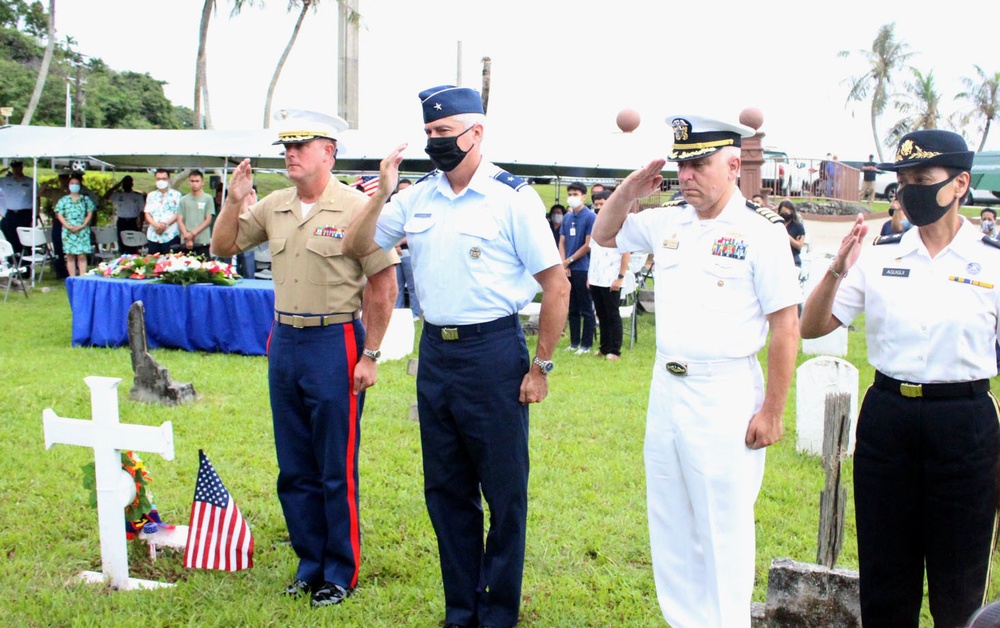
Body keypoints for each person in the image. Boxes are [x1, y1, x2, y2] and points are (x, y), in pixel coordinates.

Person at [341, 84, 570, 628]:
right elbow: (356, 245)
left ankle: (497, 614)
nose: (436, 143)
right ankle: (461, 610)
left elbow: (556, 284)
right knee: (446, 491)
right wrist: (382, 192)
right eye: (429, 135)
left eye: (445, 133)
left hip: (494, 353)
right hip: (435, 357)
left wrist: (540, 367)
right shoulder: (417, 196)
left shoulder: (512, 198)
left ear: (477, 132)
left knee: (504, 493)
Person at [592, 114, 801, 628]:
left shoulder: (760, 231)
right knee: (670, 518)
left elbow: (785, 326)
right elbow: (603, 233)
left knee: (722, 525)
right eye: (682, 164)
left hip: (725, 390)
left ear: (733, 165)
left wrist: (772, 411)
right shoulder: (669, 221)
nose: (686, 175)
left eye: (699, 164)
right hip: (667, 386)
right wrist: (628, 189)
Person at [800, 130, 999, 628]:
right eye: (903, 181)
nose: (909, 190)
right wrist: (836, 271)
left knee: (960, 586)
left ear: (959, 185)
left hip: (966, 422)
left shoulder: (993, 260)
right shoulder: (879, 255)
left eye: (922, 180)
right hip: (889, 419)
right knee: (887, 581)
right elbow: (812, 326)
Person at [210, 109, 399, 609]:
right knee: (294, 466)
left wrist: (372, 354)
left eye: (301, 146)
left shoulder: (358, 207)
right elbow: (222, 244)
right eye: (285, 148)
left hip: (335, 341)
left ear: (328, 152)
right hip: (286, 341)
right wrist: (233, 202)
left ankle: (340, 570)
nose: (290, 155)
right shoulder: (274, 205)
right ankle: (309, 562)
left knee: (335, 464)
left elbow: (383, 284)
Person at [588, 189, 630, 361]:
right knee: (601, 313)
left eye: (602, 204)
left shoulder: (620, 224)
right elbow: (593, 251)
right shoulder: (596, 223)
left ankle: (615, 350)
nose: (599, 207)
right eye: (596, 204)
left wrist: (620, 277)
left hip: (611, 277)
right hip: (596, 277)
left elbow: (625, 252)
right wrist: (589, 277)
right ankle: (604, 348)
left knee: (612, 314)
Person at [560, 181, 596, 354]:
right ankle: (574, 342)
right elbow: (562, 241)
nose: (572, 197)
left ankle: (586, 344)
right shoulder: (567, 217)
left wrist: (570, 260)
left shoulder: (590, 217)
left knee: (585, 307)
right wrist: (563, 263)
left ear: (583, 196)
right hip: (568, 268)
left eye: (575, 194)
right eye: (570, 194)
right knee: (572, 307)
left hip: (582, 267)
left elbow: (588, 244)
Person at [53, 174, 95, 277]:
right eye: (72, 183)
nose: (74, 185)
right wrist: (67, 225)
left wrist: (83, 224)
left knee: (82, 256)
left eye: (76, 183)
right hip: (68, 230)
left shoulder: (85, 199)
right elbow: (59, 213)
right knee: (70, 256)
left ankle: (82, 277)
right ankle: (72, 277)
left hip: (82, 230)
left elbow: (90, 212)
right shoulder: (64, 200)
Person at [392, 178, 421, 318]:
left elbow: (414, 233)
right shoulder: (394, 209)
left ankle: (415, 314)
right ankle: (397, 313)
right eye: (400, 189)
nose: (403, 192)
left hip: (408, 252)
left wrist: (397, 243)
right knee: (396, 286)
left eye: (406, 189)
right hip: (395, 253)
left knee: (413, 286)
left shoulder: (417, 209)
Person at [0, 160, 39, 256]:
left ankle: (26, 265)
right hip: (10, 213)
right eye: (14, 167)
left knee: (26, 241)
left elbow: (36, 198)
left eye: (18, 167)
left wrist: (36, 216)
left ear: (22, 167)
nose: (16, 170)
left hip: (25, 214)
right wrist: (2, 171)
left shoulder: (30, 181)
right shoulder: (5, 180)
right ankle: (14, 262)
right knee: (10, 240)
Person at [177, 170, 216, 257]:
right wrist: (186, 236)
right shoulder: (183, 200)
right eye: (192, 181)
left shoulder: (208, 198)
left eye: (197, 181)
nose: (194, 184)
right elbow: (179, 220)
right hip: (186, 241)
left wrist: (193, 233)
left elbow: (208, 220)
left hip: (202, 240)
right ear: (189, 182)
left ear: (202, 182)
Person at [144, 168, 182, 254]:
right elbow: (147, 213)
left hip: (171, 234)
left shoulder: (176, 195)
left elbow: (178, 213)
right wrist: (156, 226)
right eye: (158, 179)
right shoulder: (151, 195)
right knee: (152, 262)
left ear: (169, 179)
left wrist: (165, 225)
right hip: (153, 235)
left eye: (164, 179)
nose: (161, 181)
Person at [104, 176, 146, 254]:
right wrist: (118, 184)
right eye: (125, 183)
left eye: (128, 183)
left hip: (132, 222)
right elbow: (106, 195)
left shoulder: (137, 196)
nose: (126, 185)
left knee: (133, 244)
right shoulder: (118, 195)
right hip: (121, 221)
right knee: (121, 244)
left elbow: (142, 211)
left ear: (132, 184)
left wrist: (140, 225)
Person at [777, 200, 806, 269]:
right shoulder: (777, 224)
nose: (784, 215)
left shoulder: (798, 227)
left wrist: (787, 236)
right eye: (782, 213)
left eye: (786, 213)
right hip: (778, 256)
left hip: (793, 257)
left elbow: (799, 245)